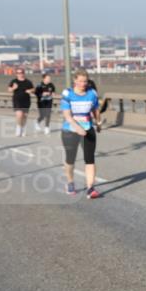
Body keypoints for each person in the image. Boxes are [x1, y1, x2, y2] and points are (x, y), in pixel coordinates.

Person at [59, 69, 102, 198]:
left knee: (90, 159)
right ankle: (70, 183)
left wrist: (98, 123)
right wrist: (77, 128)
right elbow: (67, 116)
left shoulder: (92, 93)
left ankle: (90, 188)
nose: (83, 84)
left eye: (85, 81)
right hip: (70, 130)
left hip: (88, 128)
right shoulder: (68, 94)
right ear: (75, 80)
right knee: (70, 159)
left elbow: (95, 110)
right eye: (80, 81)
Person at [7, 68, 34, 136]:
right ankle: (18, 127)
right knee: (19, 115)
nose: (20, 74)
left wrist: (30, 91)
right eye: (18, 73)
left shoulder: (28, 82)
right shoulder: (14, 81)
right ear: (16, 74)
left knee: (25, 116)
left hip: (26, 100)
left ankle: (23, 128)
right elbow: (9, 90)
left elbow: (33, 89)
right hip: (17, 100)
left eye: (21, 73)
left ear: (23, 73)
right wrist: (13, 88)